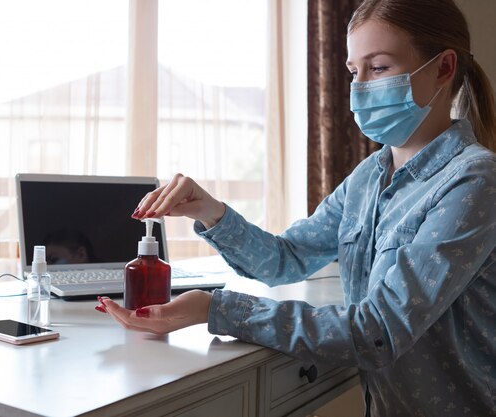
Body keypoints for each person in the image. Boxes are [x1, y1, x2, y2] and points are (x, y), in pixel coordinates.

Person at [96, 0, 496, 415]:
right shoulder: (368, 178)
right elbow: (284, 259)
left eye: (378, 68)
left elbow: (377, 332)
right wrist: (209, 211)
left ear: (444, 68)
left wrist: (216, 308)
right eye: (353, 71)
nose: (360, 87)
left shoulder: (474, 181)